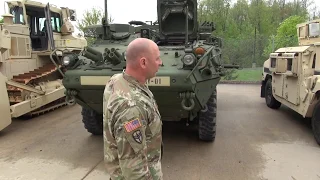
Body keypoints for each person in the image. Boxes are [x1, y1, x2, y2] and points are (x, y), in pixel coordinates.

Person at [103, 38, 163, 180]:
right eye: (157, 58)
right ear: (143, 62)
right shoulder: (131, 107)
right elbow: (134, 170)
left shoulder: (117, 80)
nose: (160, 62)